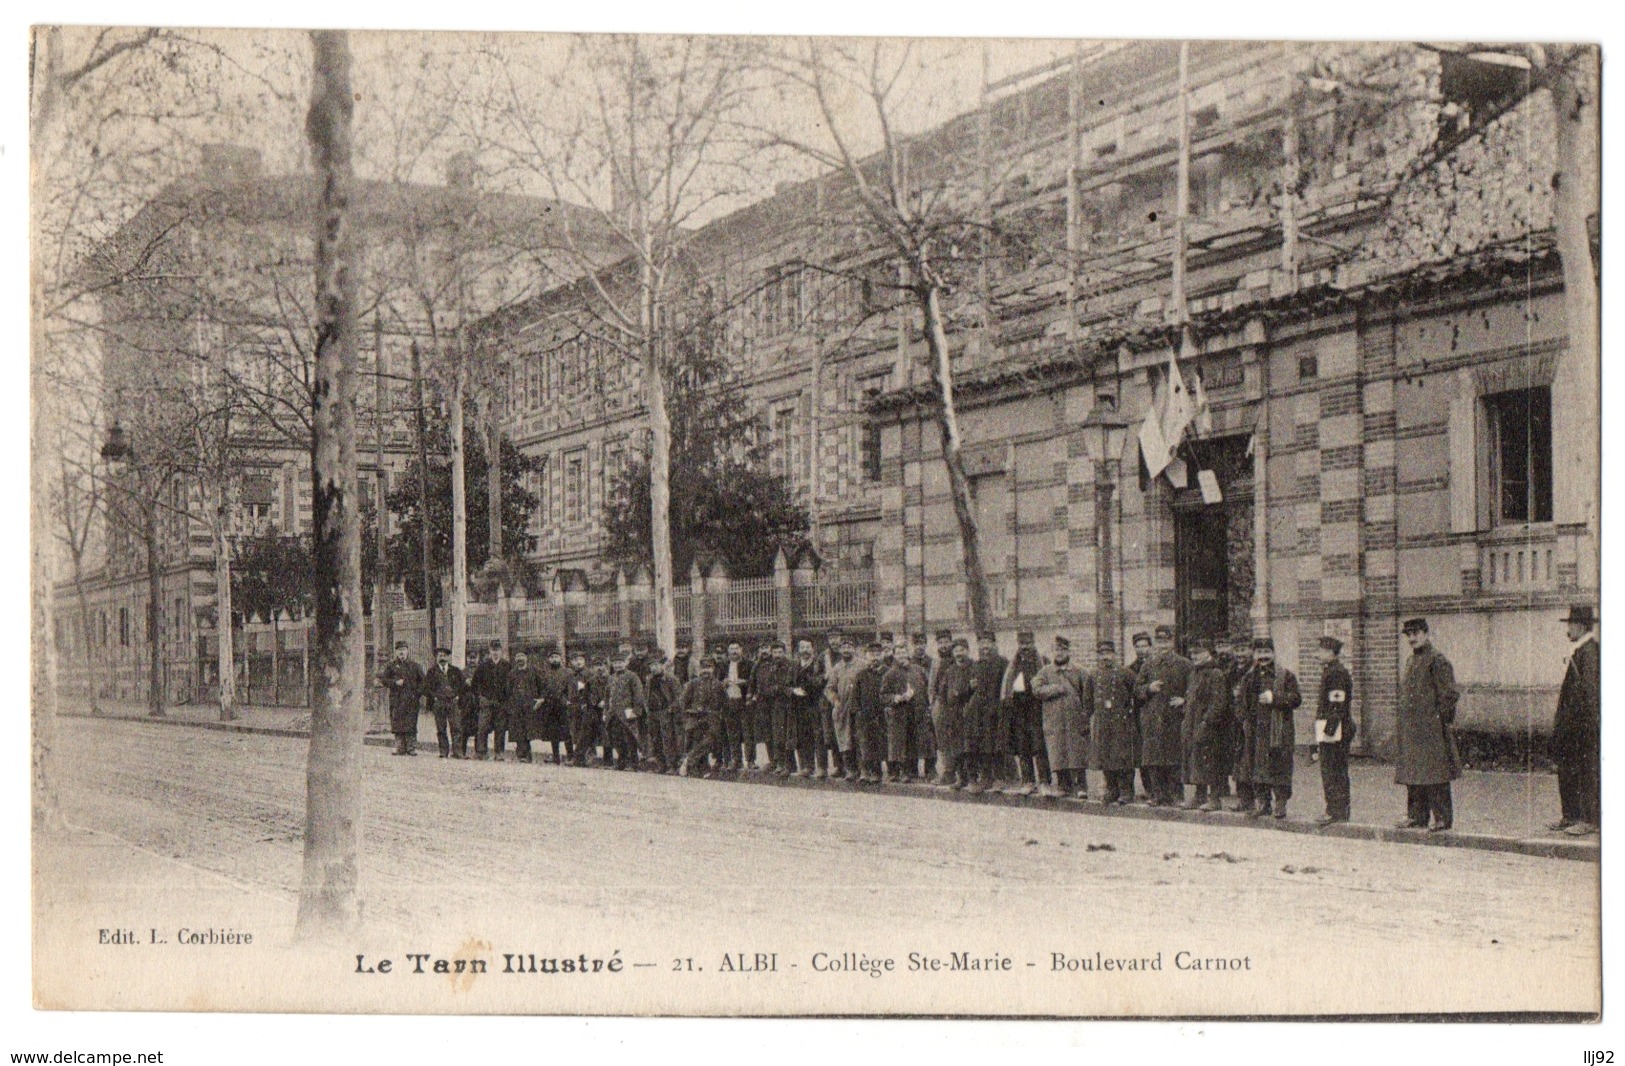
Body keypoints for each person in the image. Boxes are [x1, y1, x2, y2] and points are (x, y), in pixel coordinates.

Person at [1394, 617, 1460, 832]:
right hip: (1412, 728)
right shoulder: (1411, 661)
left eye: (1416, 633)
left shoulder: (1437, 660)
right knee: (1413, 773)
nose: (1412, 638)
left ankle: (1442, 817)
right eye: (1408, 635)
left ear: (1426, 633)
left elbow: (1449, 694)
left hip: (1431, 728)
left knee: (1435, 774)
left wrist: (1438, 720)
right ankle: (1417, 816)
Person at [1550, 605, 1601, 836]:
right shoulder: (1580, 651)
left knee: (1586, 772)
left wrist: (1586, 727)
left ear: (1581, 625)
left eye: (1570, 624)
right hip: (1572, 728)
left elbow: (1589, 694)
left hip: (1583, 729)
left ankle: (1589, 819)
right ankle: (1570, 815)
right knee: (1569, 770)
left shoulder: (1589, 652)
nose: (1568, 629)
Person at [1239, 636, 1301, 820]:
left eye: (1267, 652)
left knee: (1279, 767)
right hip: (1256, 730)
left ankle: (1280, 804)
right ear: (1254, 654)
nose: (1263, 656)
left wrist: (1275, 698)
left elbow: (1296, 699)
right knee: (1257, 766)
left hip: (1279, 730)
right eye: (1259, 652)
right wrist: (1243, 717)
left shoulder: (1286, 676)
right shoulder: (1249, 677)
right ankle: (1263, 803)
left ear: (1273, 653)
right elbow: (1241, 702)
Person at [1134, 624, 1191, 806]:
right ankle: (1158, 795)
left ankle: (1176, 795)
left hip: (1174, 718)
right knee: (1155, 759)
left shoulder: (1184, 664)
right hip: (1153, 718)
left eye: (1166, 641)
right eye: (1159, 641)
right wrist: (1148, 689)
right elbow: (1136, 690)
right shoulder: (1149, 665)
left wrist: (1184, 700)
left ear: (1172, 642)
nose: (1163, 645)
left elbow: (1194, 689)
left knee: (1174, 758)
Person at [1032, 636, 1089, 799]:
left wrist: (1084, 716)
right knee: (1058, 752)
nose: (1059, 653)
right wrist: (1054, 689)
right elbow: (1036, 689)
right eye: (1056, 650)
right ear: (1052, 651)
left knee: (1076, 753)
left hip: (1074, 720)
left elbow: (1087, 695)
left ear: (1068, 651)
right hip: (1054, 720)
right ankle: (1063, 785)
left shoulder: (1080, 671)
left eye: (1063, 650)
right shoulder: (1045, 671)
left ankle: (1080, 786)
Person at [1181, 638, 1232, 811]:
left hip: (1210, 726)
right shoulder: (1194, 673)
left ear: (1209, 653)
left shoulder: (1215, 673)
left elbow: (1218, 703)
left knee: (1211, 761)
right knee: (1196, 759)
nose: (1194, 656)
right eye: (1192, 653)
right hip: (1193, 722)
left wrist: (1206, 722)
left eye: (1199, 653)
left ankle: (1215, 798)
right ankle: (1199, 796)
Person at [1313, 636, 1356, 824]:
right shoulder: (1331, 671)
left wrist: (1328, 731)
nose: (1318, 654)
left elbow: (1336, 703)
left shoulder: (1336, 673)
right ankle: (1338, 811)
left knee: (1333, 771)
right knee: (1333, 771)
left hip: (1335, 728)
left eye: (1322, 650)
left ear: (1331, 652)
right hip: (1332, 727)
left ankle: (1336, 811)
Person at [1001, 631, 1049, 796]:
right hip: (1019, 712)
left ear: (1033, 643)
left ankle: (1044, 781)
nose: (1025, 648)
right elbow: (1007, 687)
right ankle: (1028, 781)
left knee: (1039, 747)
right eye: (1022, 644)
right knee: (1023, 747)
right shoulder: (1013, 665)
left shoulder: (1043, 663)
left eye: (1028, 644)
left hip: (1037, 711)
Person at [1090, 641, 1137, 804]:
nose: (1105, 657)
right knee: (1105, 756)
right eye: (1102, 654)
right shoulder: (1094, 675)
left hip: (1121, 722)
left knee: (1122, 756)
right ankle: (1112, 790)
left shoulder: (1126, 673)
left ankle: (1126, 791)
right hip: (1102, 721)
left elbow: (1136, 694)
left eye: (1108, 654)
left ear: (1114, 655)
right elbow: (1088, 700)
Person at [962, 631, 1008, 794]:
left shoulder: (1003, 663)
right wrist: (971, 687)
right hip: (978, 712)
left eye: (988, 643)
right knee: (981, 744)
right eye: (982, 644)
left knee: (996, 744)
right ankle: (985, 777)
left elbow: (1007, 688)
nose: (985, 647)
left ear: (994, 645)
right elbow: (968, 690)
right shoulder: (976, 665)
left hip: (996, 710)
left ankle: (1000, 778)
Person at [881, 635, 927, 783]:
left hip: (916, 712)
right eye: (898, 653)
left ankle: (912, 771)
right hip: (898, 714)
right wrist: (897, 698)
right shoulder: (890, 674)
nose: (901, 655)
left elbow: (927, 688)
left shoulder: (918, 670)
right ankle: (902, 772)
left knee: (914, 742)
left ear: (908, 653)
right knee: (899, 744)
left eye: (904, 652)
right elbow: (883, 696)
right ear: (894, 655)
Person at [678, 657, 727, 777]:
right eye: (704, 667)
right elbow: (683, 701)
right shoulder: (693, 683)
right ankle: (702, 769)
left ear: (713, 669)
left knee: (710, 741)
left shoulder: (719, 684)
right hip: (696, 717)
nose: (706, 670)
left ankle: (689, 759)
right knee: (697, 740)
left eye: (709, 667)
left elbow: (724, 702)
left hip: (712, 718)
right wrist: (689, 712)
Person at [850, 641, 890, 783]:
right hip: (864, 715)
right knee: (864, 744)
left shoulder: (888, 672)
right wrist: (857, 711)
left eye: (878, 654)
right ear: (866, 655)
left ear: (883, 655)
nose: (875, 657)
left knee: (879, 744)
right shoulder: (861, 674)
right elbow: (854, 695)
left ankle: (877, 772)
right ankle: (865, 771)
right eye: (872, 654)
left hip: (881, 715)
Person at [377, 640, 424, 756]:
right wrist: (394, 682)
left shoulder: (415, 666)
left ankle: (411, 747)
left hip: (411, 700)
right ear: (396, 652)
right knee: (397, 723)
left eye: (403, 650)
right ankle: (400, 747)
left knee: (411, 724)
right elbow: (383, 679)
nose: (401, 652)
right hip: (397, 700)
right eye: (399, 650)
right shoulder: (391, 666)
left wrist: (417, 694)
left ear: (407, 651)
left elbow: (423, 682)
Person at [788, 639, 827, 777]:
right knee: (803, 736)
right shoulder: (794, 665)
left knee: (818, 736)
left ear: (812, 649)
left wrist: (811, 682)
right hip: (799, 705)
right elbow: (787, 684)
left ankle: (822, 768)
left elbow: (823, 680)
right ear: (798, 649)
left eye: (807, 647)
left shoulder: (819, 663)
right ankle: (807, 766)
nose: (805, 650)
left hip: (815, 704)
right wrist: (793, 690)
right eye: (802, 647)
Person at [826, 639, 861, 781]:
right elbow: (830, 688)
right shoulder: (837, 668)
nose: (846, 650)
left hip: (859, 707)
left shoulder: (862, 665)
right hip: (843, 709)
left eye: (849, 647)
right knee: (845, 739)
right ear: (840, 651)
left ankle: (863, 770)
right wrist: (835, 701)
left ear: (854, 649)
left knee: (860, 738)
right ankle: (850, 769)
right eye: (843, 647)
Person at [756, 642, 794, 776]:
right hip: (769, 704)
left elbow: (786, 685)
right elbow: (765, 684)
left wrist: (776, 689)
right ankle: (775, 761)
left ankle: (787, 764)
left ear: (784, 652)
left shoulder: (790, 665)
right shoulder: (768, 666)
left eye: (780, 652)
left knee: (783, 735)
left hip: (785, 705)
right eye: (775, 652)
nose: (777, 655)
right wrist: (773, 689)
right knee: (770, 734)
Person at [603, 651, 645, 771]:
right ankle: (621, 762)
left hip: (627, 713)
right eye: (615, 663)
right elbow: (607, 697)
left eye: (620, 662)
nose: (618, 665)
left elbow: (638, 695)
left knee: (630, 739)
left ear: (625, 663)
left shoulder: (632, 676)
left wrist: (636, 711)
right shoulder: (611, 678)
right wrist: (606, 712)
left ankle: (633, 764)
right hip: (613, 714)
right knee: (617, 739)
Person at [470, 640, 511, 761]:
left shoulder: (507, 666)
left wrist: (506, 699)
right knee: (482, 727)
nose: (495, 653)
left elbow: (511, 684)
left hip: (500, 702)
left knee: (500, 728)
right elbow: (475, 684)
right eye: (493, 650)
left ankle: (499, 753)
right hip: (486, 701)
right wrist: (480, 698)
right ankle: (481, 752)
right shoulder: (483, 666)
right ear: (489, 651)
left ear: (501, 651)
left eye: (497, 650)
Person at [1127, 631, 1155, 800]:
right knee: (1143, 751)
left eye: (1144, 646)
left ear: (1150, 647)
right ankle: (1149, 788)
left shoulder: (1157, 665)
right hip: (1139, 713)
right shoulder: (1131, 670)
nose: (1141, 649)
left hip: (1158, 714)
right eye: (1138, 646)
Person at [643, 651, 683, 774]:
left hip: (666, 713)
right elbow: (646, 695)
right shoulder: (650, 679)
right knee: (655, 739)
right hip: (653, 713)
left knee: (668, 739)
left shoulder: (670, 678)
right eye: (651, 665)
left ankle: (672, 765)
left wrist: (671, 709)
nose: (653, 668)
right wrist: (647, 710)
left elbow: (679, 696)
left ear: (662, 665)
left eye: (656, 665)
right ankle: (661, 765)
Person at [928, 630, 958, 785]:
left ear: (951, 643)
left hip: (954, 704)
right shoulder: (936, 661)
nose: (944, 645)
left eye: (946, 642)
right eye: (941, 643)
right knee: (942, 739)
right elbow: (931, 683)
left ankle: (961, 772)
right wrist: (932, 703)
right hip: (939, 703)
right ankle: (948, 771)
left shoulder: (956, 659)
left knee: (956, 737)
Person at [719, 642, 754, 773]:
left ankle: (750, 760)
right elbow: (718, 682)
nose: (734, 651)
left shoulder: (749, 664)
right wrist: (724, 683)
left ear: (741, 650)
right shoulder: (723, 665)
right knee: (732, 732)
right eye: (731, 649)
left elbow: (754, 681)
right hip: (729, 701)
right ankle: (736, 760)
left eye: (736, 649)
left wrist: (744, 682)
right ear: (728, 651)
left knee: (747, 731)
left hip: (744, 701)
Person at [424, 647, 466, 759]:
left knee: (456, 727)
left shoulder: (456, 671)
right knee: (441, 728)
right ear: (436, 658)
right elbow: (426, 688)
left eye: (444, 655)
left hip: (453, 702)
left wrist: (457, 696)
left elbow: (462, 686)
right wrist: (434, 698)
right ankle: (443, 751)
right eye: (439, 656)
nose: (442, 658)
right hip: (439, 703)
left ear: (448, 657)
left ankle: (457, 751)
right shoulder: (431, 672)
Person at [535, 649, 572, 765]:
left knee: (567, 731)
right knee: (553, 732)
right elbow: (544, 689)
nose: (554, 659)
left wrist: (567, 700)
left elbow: (571, 689)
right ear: (548, 659)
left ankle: (570, 756)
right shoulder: (545, 673)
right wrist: (542, 698)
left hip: (563, 706)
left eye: (556, 657)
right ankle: (556, 757)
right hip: (550, 706)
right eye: (552, 657)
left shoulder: (567, 672)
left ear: (561, 659)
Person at [505, 651, 543, 764]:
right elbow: (508, 690)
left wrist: (541, 699)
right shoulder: (512, 673)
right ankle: (521, 754)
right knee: (518, 730)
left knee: (528, 730)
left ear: (526, 658)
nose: (520, 658)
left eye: (522, 656)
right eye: (517, 656)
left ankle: (526, 753)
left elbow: (542, 686)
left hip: (530, 705)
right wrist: (510, 704)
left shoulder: (534, 671)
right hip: (516, 705)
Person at [564, 651, 594, 766]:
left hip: (586, 708)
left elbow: (594, 692)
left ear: (584, 661)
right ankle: (577, 758)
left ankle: (588, 757)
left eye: (580, 659)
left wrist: (588, 703)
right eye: (575, 660)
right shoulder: (570, 676)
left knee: (586, 733)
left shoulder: (590, 674)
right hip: (573, 708)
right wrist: (565, 701)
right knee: (574, 733)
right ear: (571, 662)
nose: (578, 662)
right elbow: (562, 691)